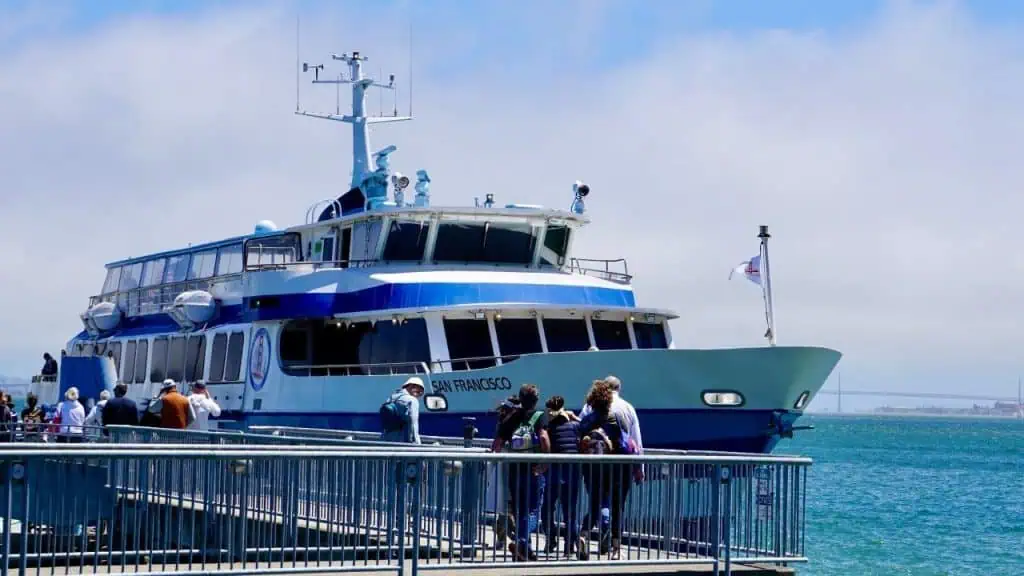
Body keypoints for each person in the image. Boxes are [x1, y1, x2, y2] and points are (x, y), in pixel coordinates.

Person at [491, 383, 551, 562]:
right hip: (533, 469)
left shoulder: (511, 417)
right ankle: (521, 541)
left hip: (514, 469)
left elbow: (497, 444)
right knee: (533, 510)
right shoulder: (540, 415)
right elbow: (543, 437)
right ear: (536, 400)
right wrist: (545, 461)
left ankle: (526, 550)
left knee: (519, 511)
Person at [579, 379, 635, 560]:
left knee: (595, 504)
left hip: (592, 467)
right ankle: (616, 548)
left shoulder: (587, 419)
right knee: (617, 506)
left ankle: (584, 535)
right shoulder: (615, 418)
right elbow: (626, 442)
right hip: (616, 468)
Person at [541, 395, 586, 558]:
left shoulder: (549, 428)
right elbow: (585, 429)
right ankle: (570, 546)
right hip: (572, 473)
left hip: (553, 474)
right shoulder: (575, 426)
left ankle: (551, 540)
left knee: (546, 510)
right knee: (570, 513)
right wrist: (576, 418)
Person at [380, 377, 424, 444]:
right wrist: (416, 443)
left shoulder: (391, 398)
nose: (419, 395)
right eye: (419, 392)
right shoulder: (412, 400)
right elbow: (413, 425)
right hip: (402, 442)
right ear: (412, 386)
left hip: (385, 439)